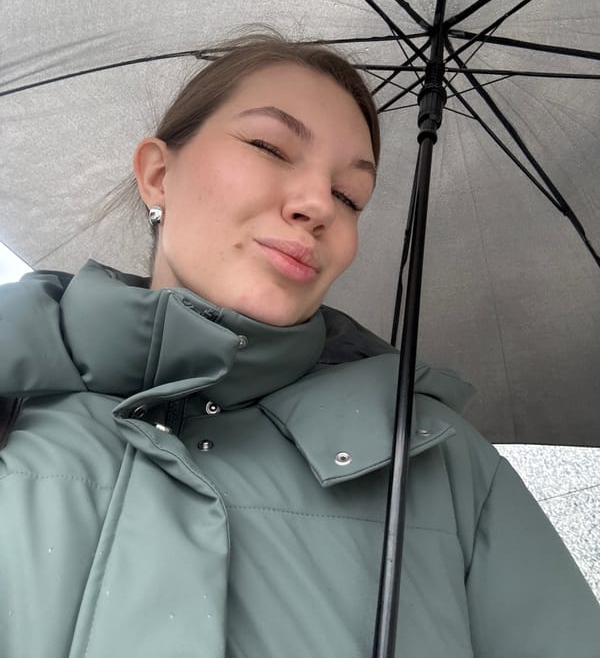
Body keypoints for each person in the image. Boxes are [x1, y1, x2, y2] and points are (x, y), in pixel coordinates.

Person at [0, 34, 598, 658]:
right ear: (157, 173)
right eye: (269, 147)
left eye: (350, 196)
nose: (318, 206)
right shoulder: (13, 398)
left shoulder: (442, 471)